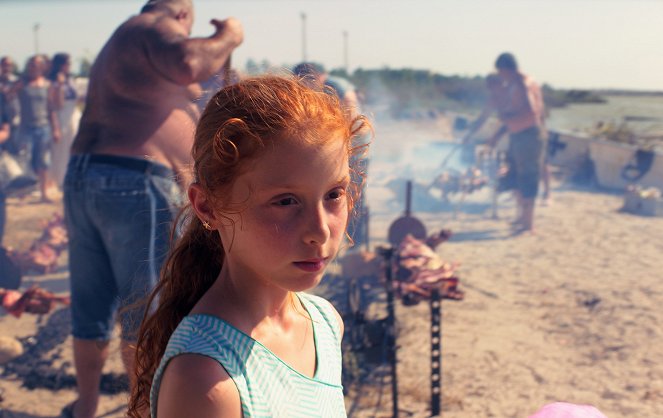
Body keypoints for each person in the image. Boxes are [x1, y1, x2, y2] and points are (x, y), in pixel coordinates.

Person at [127, 75, 370, 418]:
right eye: (285, 201)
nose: (319, 230)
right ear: (208, 206)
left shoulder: (324, 325)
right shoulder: (205, 378)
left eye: (334, 194)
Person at [61, 1, 243, 417]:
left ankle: (86, 406)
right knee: (146, 309)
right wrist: (231, 34)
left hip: (92, 179)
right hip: (133, 183)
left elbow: (212, 89)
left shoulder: (136, 54)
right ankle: (142, 411)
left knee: (93, 306)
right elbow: (188, 60)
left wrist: (223, 62)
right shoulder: (152, 26)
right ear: (181, 16)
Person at [464, 53, 547, 234]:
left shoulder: (524, 84)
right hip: (518, 135)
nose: (500, 76)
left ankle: (529, 222)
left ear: (506, 69)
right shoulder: (512, 86)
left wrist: (507, 118)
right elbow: (505, 118)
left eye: (500, 72)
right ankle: (521, 217)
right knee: (516, 175)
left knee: (528, 176)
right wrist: (495, 133)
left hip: (529, 135)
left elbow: (531, 112)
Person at [11, 55, 60, 202]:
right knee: (25, 160)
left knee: (43, 161)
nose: (34, 67)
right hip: (26, 128)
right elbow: (7, 98)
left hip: (43, 127)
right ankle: (23, 193)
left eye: (38, 64)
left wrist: (55, 128)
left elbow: (51, 108)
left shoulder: (47, 85)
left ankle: (43, 193)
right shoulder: (22, 84)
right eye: (32, 64)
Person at [47, 52, 81, 188]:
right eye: (68, 64)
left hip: (74, 114)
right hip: (63, 115)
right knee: (62, 149)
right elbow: (57, 104)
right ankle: (61, 179)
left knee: (74, 147)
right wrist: (60, 86)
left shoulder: (70, 79)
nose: (70, 66)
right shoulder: (54, 81)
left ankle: (73, 176)